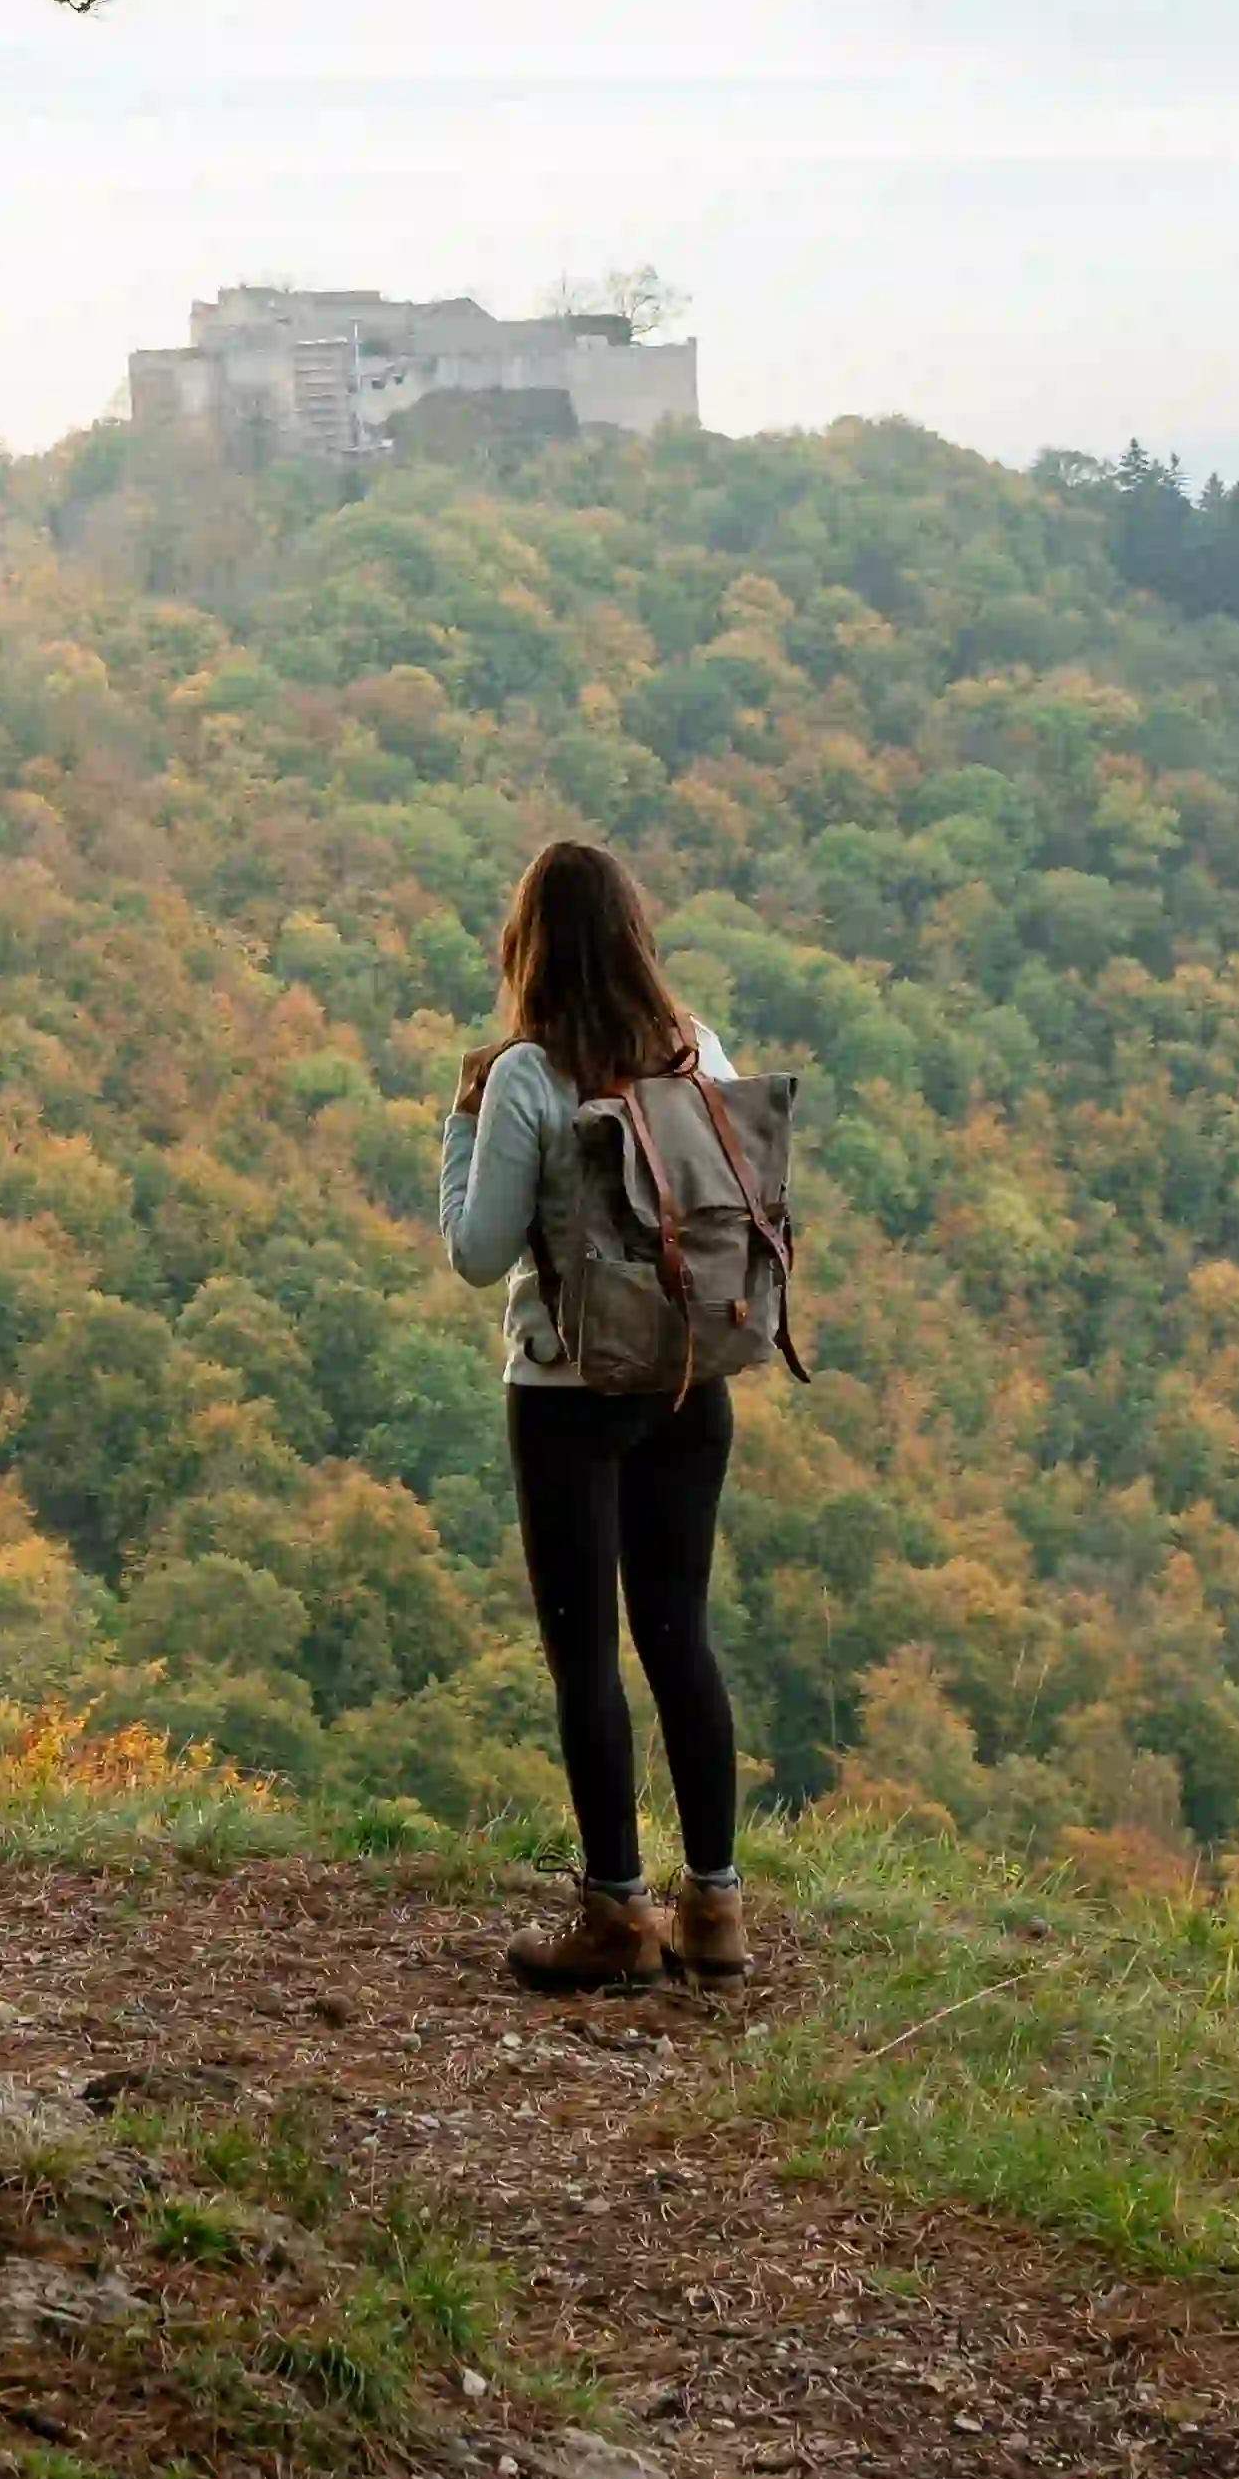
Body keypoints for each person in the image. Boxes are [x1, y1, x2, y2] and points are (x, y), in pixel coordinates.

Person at [440, 834, 749, 1993]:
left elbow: (476, 1255)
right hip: (686, 1377)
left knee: (587, 1657)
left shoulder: (525, 1073)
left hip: (568, 1394)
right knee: (681, 1636)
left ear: (528, 944)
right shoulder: (697, 1047)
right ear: (633, 935)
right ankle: (714, 1907)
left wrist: (459, 1126)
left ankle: (618, 1913)